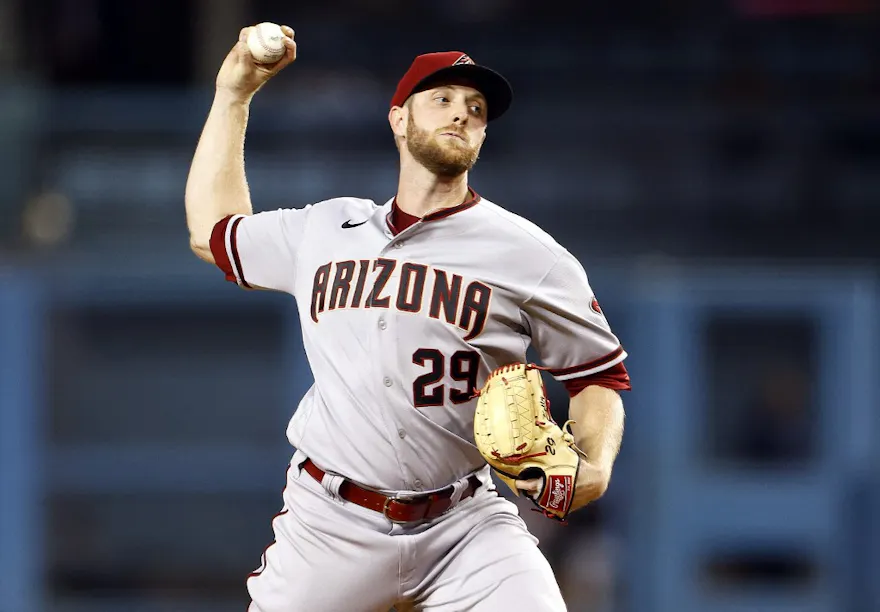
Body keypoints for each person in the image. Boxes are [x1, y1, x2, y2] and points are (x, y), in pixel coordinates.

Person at [185, 24, 631, 612]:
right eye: (441, 99)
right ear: (399, 118)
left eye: (476, 108)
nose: (461, 114)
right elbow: (211, 232)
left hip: (465, 526)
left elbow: (599, 375)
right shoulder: (326, 229)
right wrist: (232, 96)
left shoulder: (530, 255)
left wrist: (594, 465)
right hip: (331, 523)